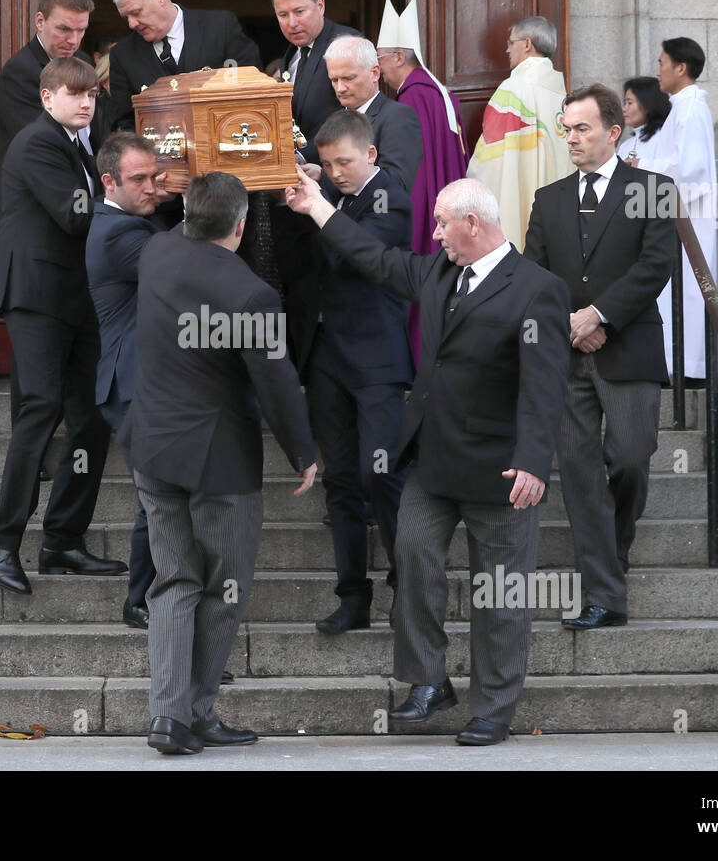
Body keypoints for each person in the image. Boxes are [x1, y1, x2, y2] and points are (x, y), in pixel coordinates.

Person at [286, 172, 570, 746]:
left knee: (501, 592)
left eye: (442, 222)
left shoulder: (536, 288)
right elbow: (375, 257)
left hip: (502, 470)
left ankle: (494, 707)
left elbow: (546, 385)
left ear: (473, 223)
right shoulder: (442, 271)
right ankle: (428, 681)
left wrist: (536, 462)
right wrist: (316, 205)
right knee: (412, 557)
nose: (434, 232)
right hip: (434, 462)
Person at [124, 172, 317, 755]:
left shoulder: (156, 252)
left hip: (153, 448)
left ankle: (169, 717)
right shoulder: (250, 292)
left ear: (187, 212)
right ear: (239, 226)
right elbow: (278, 382)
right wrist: (304, 453)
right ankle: (196, 711)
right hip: (218, 461)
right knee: (224, 585)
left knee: (172, 581)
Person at [523, 84, 676, 631]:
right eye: (566, 129)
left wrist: (600, 315)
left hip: (629, 348)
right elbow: (534, 273)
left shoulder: (654, 189)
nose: (571, 138)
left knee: (631, 458)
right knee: (581, 474)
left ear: (613, 132)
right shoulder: (550, 199)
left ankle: (617, 548)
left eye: (581, 128)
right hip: (566, 355)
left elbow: (656, 266)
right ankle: (604, 594)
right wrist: (570, 322)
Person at [0, 57, 127, 595]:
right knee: (40, 410)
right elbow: (74, 213)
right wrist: (129, 199)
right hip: (38, 298)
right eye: (75, 94)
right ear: (47, 98)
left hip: (79, 299)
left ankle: (63, 540)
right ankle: (1, 542)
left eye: (92, 95)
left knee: (92, 418)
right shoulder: (39, 141)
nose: (87, 103)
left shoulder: (77, 145)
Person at [287, 111, 413, 634]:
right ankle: (353, 596)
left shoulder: (392, 198)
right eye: (328, 163)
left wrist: (318, 202)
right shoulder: (332, 195)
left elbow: (363, 257)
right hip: (324, 357)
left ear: (372, 155)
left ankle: (408, 588)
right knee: (339, 480)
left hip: (376, 358)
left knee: (381, 474)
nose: (336, 172)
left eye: (345, 162)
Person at [85, 133, 173, 630]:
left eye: (154, 176)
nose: (151, 187)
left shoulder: (132, 222)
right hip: (133, 386)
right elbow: (177, 262)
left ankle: (147, 598)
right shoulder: (119, 233)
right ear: (109, 182)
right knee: (157, 501)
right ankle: (142, 599)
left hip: (141, 385)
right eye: (139, 179)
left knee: (158, 500)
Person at [375, 0, 469, 366]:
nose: (378, 68)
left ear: (399, 56)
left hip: (425, 209)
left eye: (380, 59)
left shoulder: (411, 99)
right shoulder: (442, 93)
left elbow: (413, 170)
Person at [626, 37, 718, 381]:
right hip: (671, 211)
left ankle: (686, 372)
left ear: (681, 68)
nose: (658, 71)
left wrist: (643, 172)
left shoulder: (690, 106)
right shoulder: (680, 106)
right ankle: (672, 366)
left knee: (686, 296)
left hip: (685, 216)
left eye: (662, 63)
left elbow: (689, 169)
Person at [0, 0, 95, 247]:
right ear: (40, 21)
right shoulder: (19, 72)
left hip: (80, 205)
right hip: (36, 217)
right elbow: (41, 146)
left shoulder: (84, 61)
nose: (73, 40)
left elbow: (96, 133)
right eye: (64, 29)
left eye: (81, 30)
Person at [108, 0, 260, 132]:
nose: (131, 24)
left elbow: (253, 87)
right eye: (126, 17)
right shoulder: (122, 55)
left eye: (136, 12)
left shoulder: (220, 27)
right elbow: (125, 122)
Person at [466, 15, 573, 248]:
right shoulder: (564, 97)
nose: (507, 50)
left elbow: (488, 162)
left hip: (522, 205)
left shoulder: (512, 91)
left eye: (510, 43)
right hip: (562, 211)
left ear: (527, 44)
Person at [268, 0, 359, 164]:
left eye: (299, 12)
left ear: (320, 6)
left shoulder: (346, 43)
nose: (292, 23)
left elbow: (352, 116)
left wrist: (303, 156)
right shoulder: (292, 53)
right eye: (283, 15)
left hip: (333, 171)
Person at [323, 35, 423, 193]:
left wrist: (324, 177)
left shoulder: (399, 117)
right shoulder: (334, 120)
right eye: (334, 80)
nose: (340, 88)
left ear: (375, 73)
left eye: (349, 78)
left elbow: (396, 185)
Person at [618, 75, 671, 163]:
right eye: (625, 102)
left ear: (648, 105)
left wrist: (638, 169)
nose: (624, 108)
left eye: (630, 103)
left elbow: (658, 176)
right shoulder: (625, 146)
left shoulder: (663, 141)